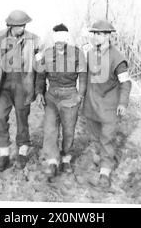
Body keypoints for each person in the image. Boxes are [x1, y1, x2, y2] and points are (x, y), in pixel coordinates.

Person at [0, 10, 41, 172]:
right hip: (4, 87)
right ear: (10, 25)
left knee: (22, 120)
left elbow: (40, 66)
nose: (21, 28)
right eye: (18, 26)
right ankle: (4, 156)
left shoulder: (34, 40)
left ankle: (22, 154)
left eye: (24, 25)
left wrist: (38, 88)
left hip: (24, 87)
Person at [82, 19, 132, 187]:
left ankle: (105, 171)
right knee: (95, 137)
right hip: (91, 104)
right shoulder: (89, 54)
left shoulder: (117, 58)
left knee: (106, 139)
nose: (96, 37)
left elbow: (125, 83)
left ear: (108, 36)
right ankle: (101, 158)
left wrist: (123, 103)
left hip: (110, 107)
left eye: (100, 34)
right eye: (94, 33)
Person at [35, 24, 87, 180]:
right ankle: (52, 161)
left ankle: (66, 159)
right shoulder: (48, 53)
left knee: (68, 130)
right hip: (52, 95)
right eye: (56, 40)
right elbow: (40, 76)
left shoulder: (77, 54)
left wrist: (80, 95)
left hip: (70, 95)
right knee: (50, 129)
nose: (58, 44)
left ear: (66, 40)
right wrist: (39, 92)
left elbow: (83, 76)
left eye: (61, 40)